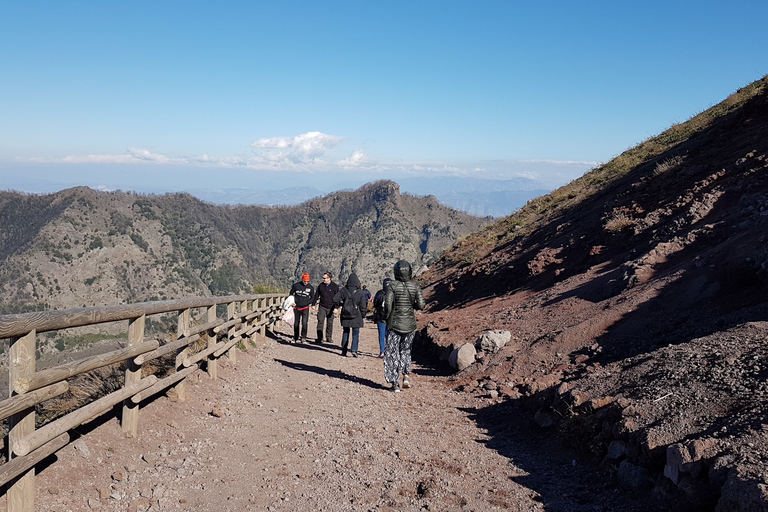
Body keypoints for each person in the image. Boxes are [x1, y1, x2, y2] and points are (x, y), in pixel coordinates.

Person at [383, 260, 425, 392]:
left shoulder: (392, 286)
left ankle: (395, 383)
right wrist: (412, 305)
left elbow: (388, 305)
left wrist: (386, 316)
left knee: (392, 352)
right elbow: (421, 305)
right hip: (410, 325)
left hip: (394, 325)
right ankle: (406, 375)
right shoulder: (415, 286)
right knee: (406, 351)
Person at [332, 273, 368, 357]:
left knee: (345, 332)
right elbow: (363, 305)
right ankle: (354, 350)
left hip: (345, 315)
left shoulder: (344, 290)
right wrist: (363, 315)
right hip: (356, 315)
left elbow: (334, 299)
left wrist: (341, 304)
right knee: (355, 333)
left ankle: (344, 350)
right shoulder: (360, 292)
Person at [313, 271, 339, 344]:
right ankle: (319, 337)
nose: (324, 279)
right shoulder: (321, 286)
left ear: (329, 278)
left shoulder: (335, 287)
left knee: (330, 323)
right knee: (320, 321)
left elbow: (338, 298)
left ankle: (329, 337)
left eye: (325, 278)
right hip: (322, 306)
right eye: (323, 278)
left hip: (331, 307)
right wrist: (313, 304)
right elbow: (316, 295)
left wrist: (336, 307)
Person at [289, 272, 315, 343]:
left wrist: (310, 303)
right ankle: (295, 337)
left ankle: (303, 337)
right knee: (296, 323)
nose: (306, 282)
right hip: (296, 307)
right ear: (302, 279)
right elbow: (291, 294)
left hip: (305, 308)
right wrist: (292, 302)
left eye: (307, 281)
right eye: (304, 281)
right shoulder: (296, 286)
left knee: (304, 323)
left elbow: (313, 297)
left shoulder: (310, 287)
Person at [372, 278, 391, 358]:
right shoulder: (394, 293)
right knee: (389, 335)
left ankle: (382, 351)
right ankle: (389, 351)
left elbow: (375, 304)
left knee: (381, 335)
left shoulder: (379, 293)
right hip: (390, 317)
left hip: (380, 316)